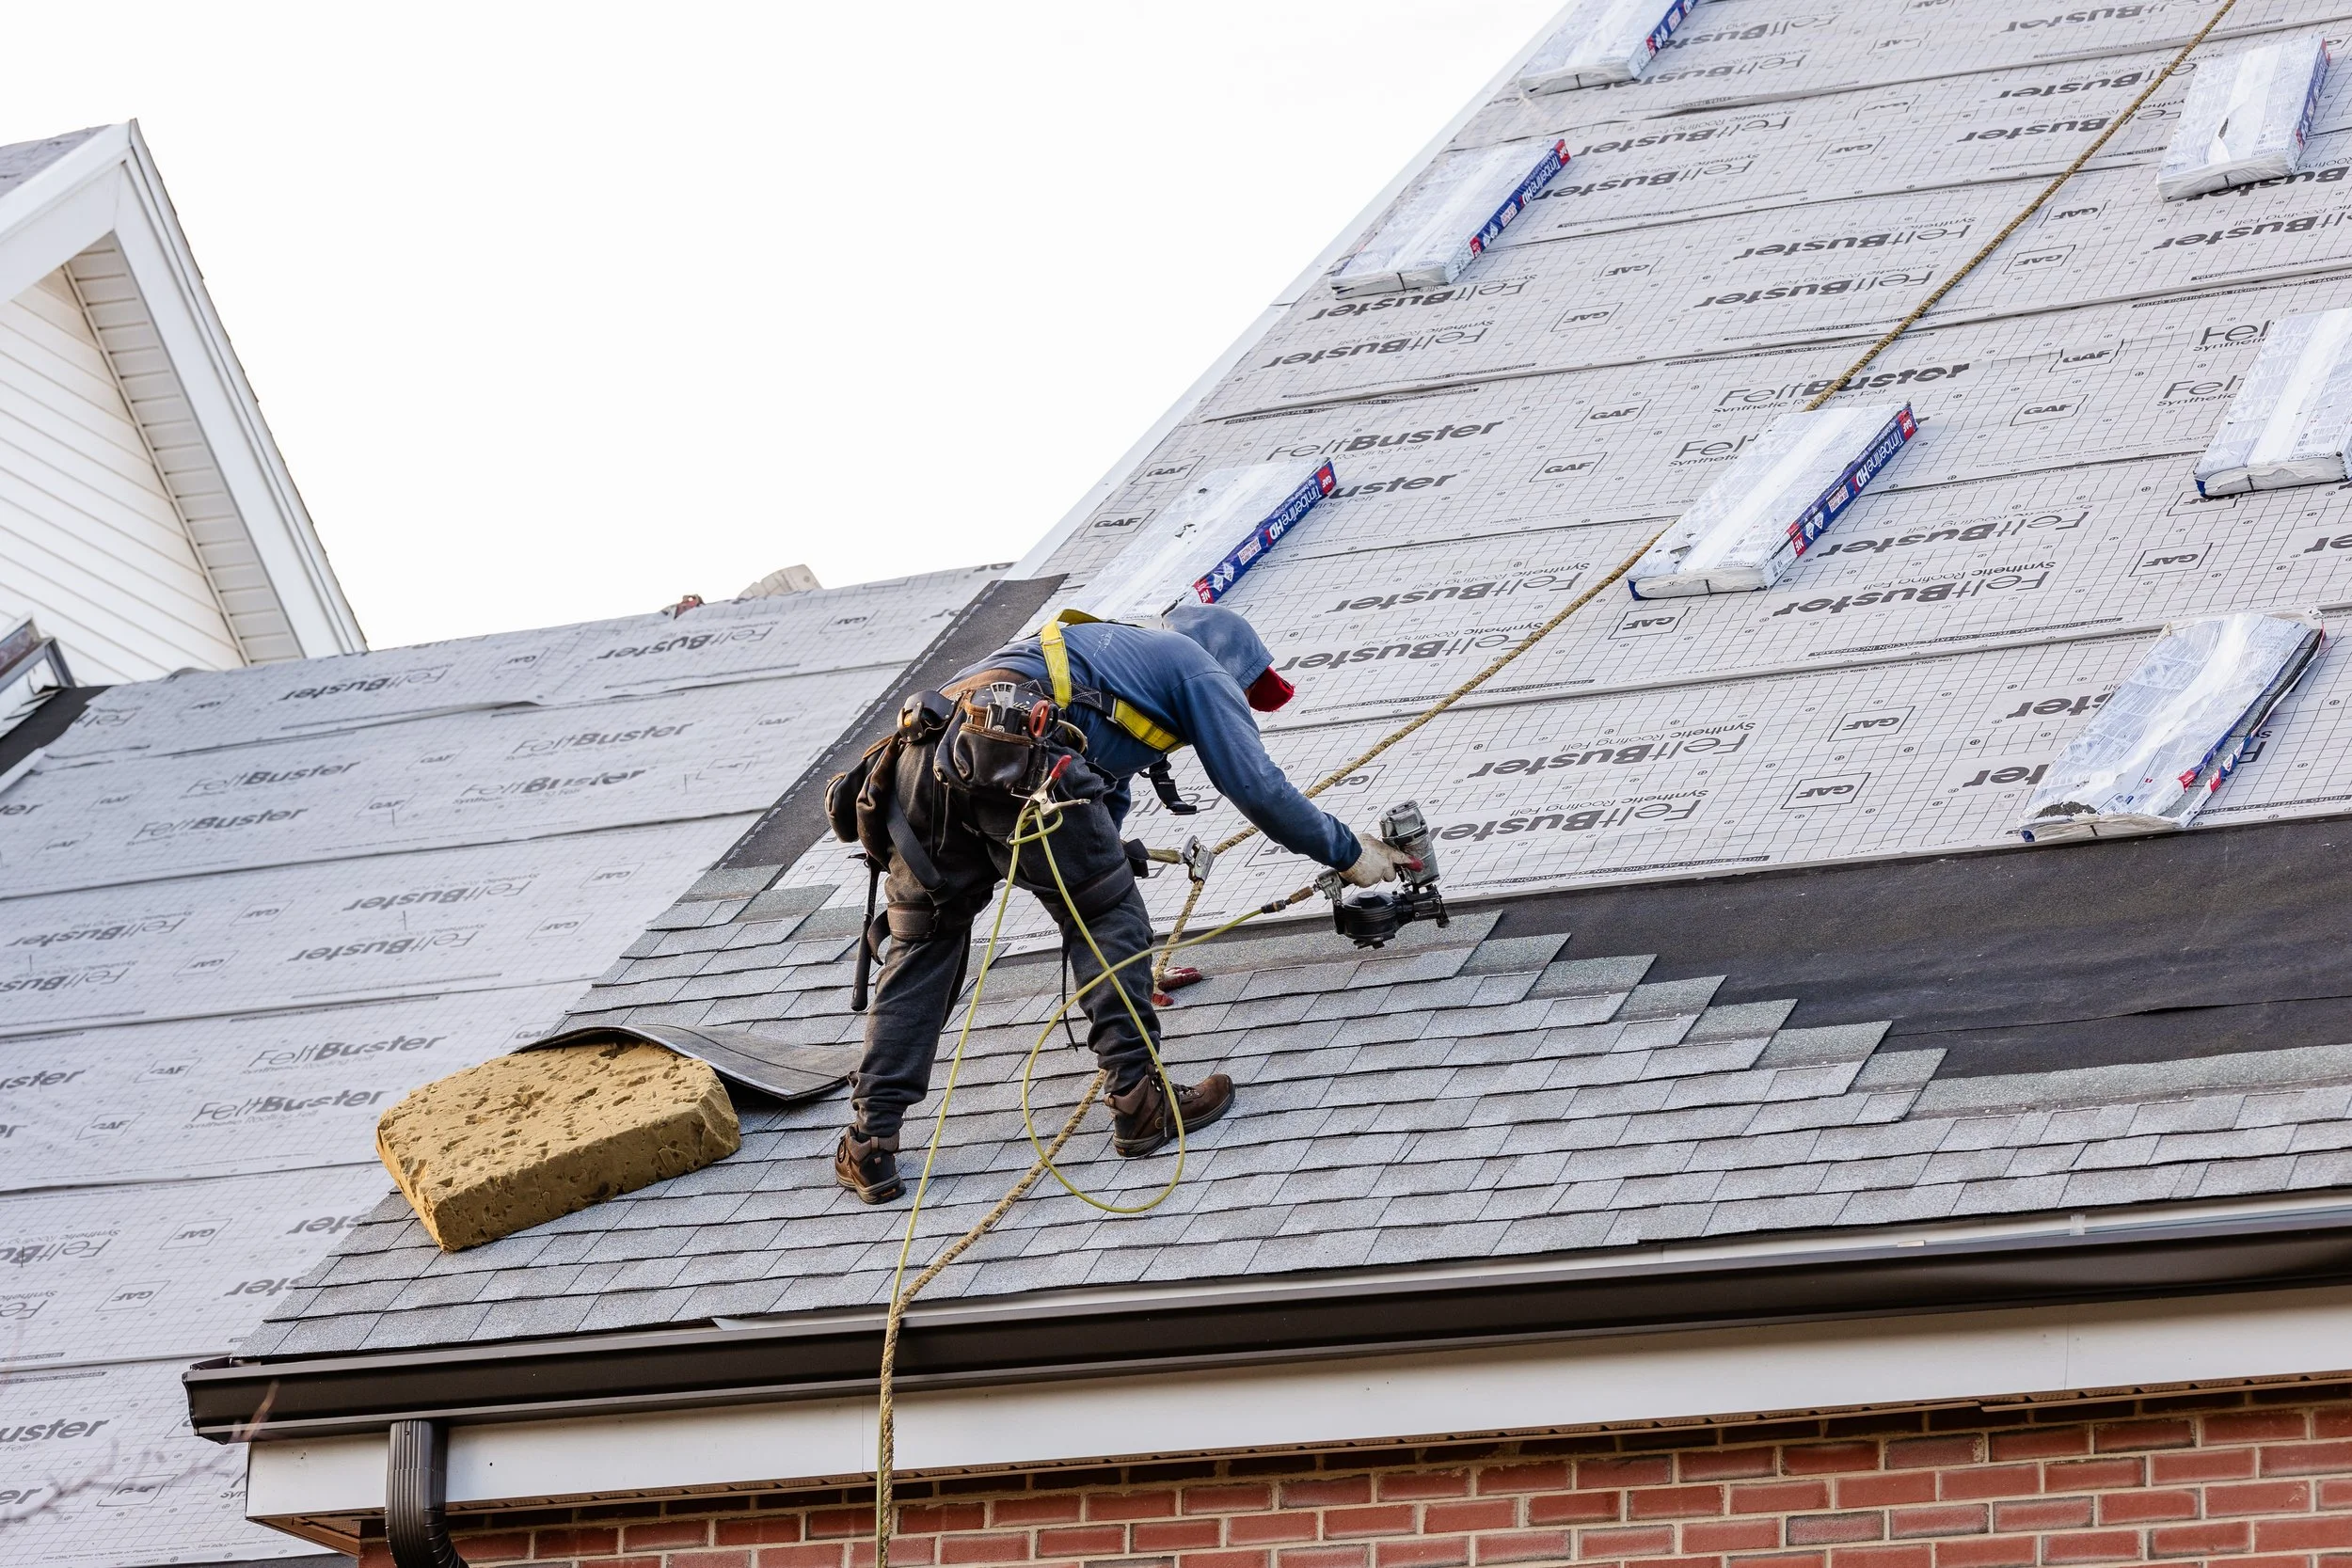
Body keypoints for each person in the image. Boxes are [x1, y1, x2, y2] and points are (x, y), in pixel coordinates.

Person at [832, 604, 1420, 1203]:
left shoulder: (1107, 660)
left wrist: (1115, 884)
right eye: (1246, 692)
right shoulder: (1200, 671)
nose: (1239, 704)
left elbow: (1100, 800)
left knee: (923, 946)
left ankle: (868, 1144)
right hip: (1018, 746)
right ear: (1232, 666)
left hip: (917, 760)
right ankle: (1140, 1104)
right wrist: (1348, 853)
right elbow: (1258, 789)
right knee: (1105, 917)